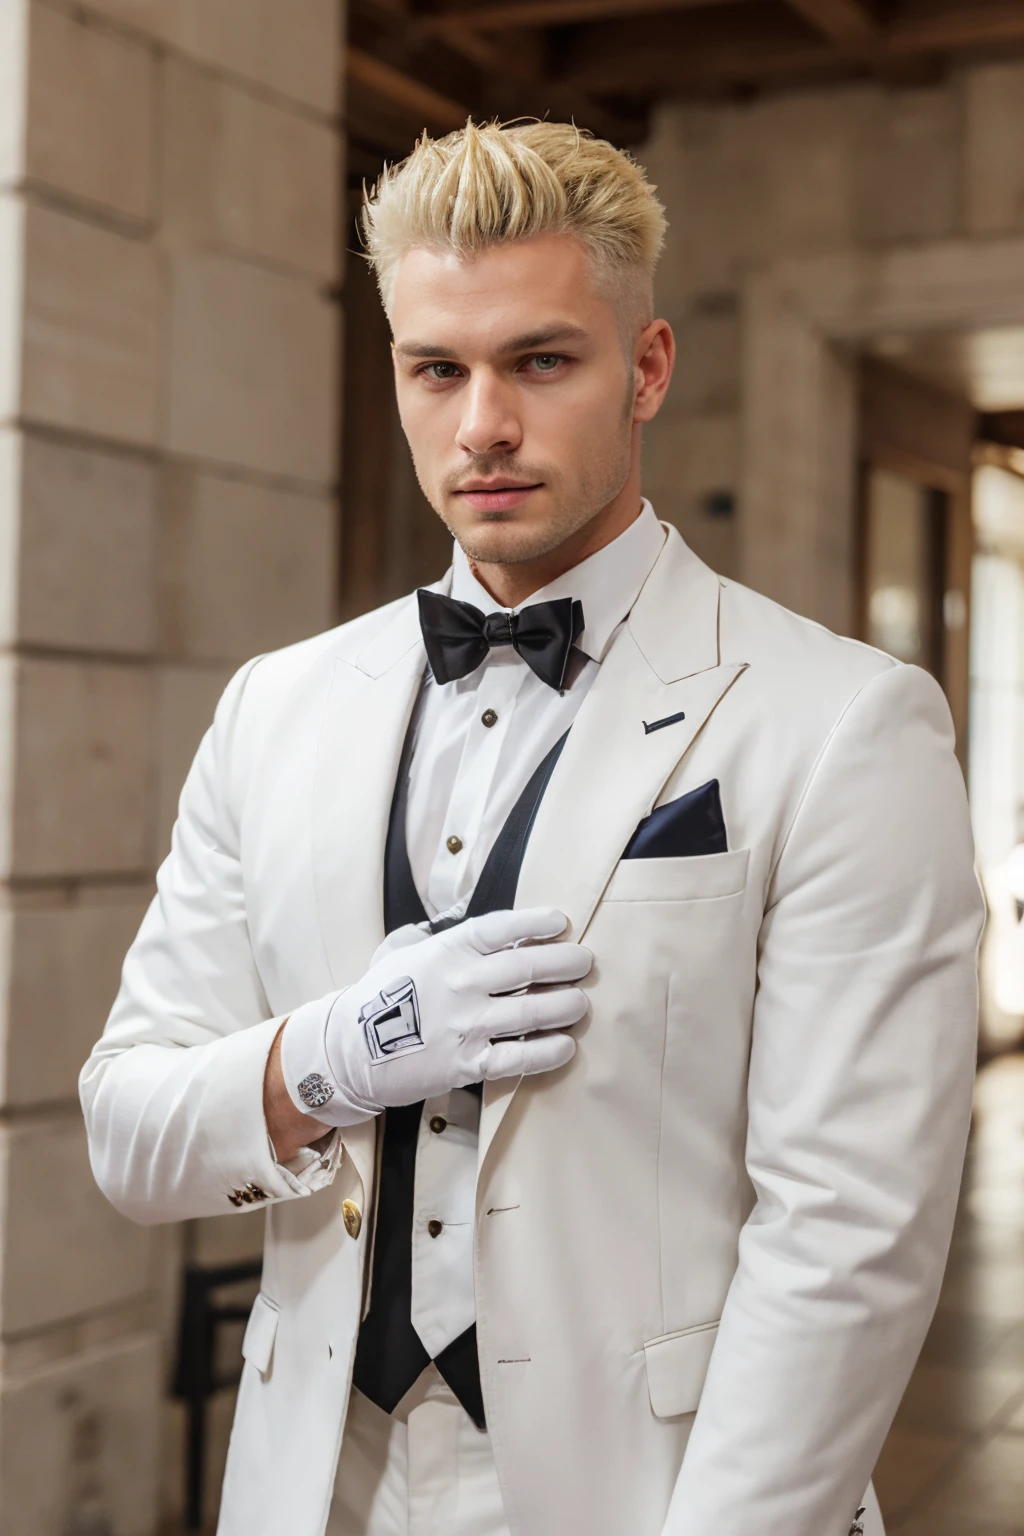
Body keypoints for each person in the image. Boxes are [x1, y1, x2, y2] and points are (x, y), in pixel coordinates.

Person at [80, 121, 983, 1536]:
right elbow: (129, 1131)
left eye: (540, 361)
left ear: (648, 369)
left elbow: (850, 1241)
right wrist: (334, 1055)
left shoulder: (846, 721)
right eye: (436, 368)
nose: (481, 425)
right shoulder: (276, 708)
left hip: (655, 1496)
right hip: (318, 1484)